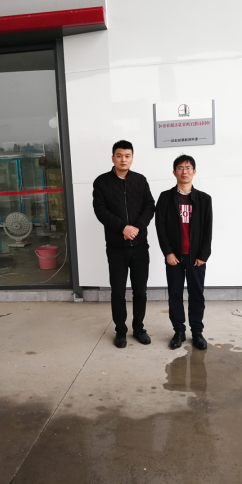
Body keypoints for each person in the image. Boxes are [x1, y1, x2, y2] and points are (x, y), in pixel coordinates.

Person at [93, 140, 156, 348]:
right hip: (116, 248)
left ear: (132, 158)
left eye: (127, 156)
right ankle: (120, 331)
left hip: (140, 247)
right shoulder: (102, 182)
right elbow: (101, 210)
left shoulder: (140, 180)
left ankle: (139, 328)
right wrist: (123, 228)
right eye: (119, 155)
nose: (123, 159)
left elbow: (149, 205)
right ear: (113, 158)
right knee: (118, 292)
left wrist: (136, 227)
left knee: (140, 291)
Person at [155, 154, 213, 350]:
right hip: (175, 257)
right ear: (174, 172)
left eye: (188, 168)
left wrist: (203, 255)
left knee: (197, 294)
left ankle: (197, 332)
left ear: (194, 172)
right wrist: (168, 252)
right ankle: (179, 331)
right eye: (180, 168)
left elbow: (208, 229)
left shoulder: (204, 199)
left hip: (196, 257)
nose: (184, 171)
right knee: (175, 294)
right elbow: (160, 227)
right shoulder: (165, 198)